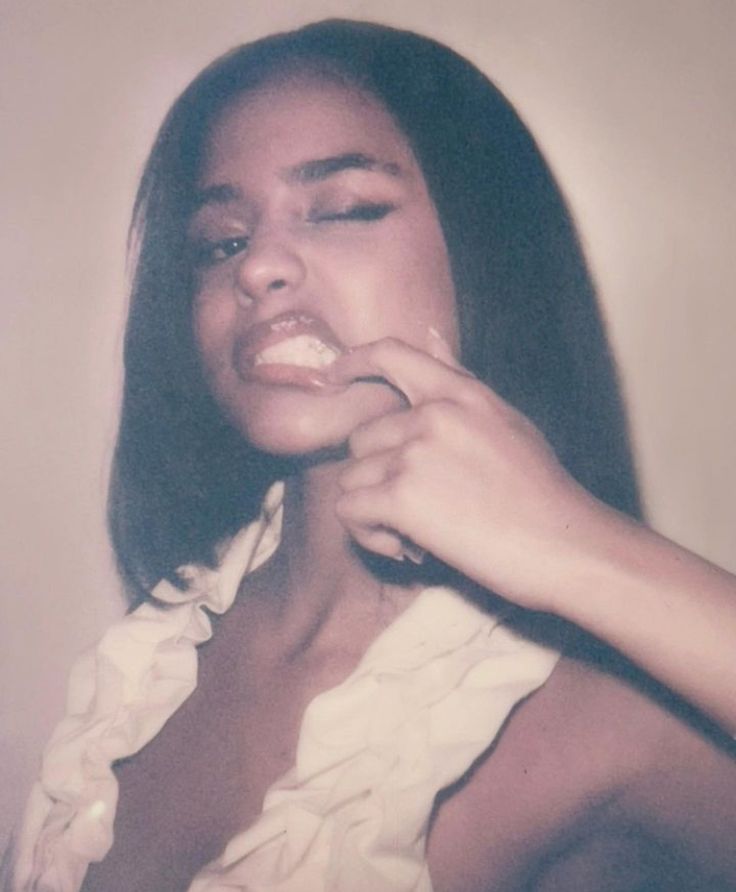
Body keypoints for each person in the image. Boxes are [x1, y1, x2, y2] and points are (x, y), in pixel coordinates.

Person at [9, 18, 736, 892]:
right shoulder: (143, 669)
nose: (259, 268)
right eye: (222, 242)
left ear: (486, 252)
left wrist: (570, 541)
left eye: (345, 209)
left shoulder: (612, 714)